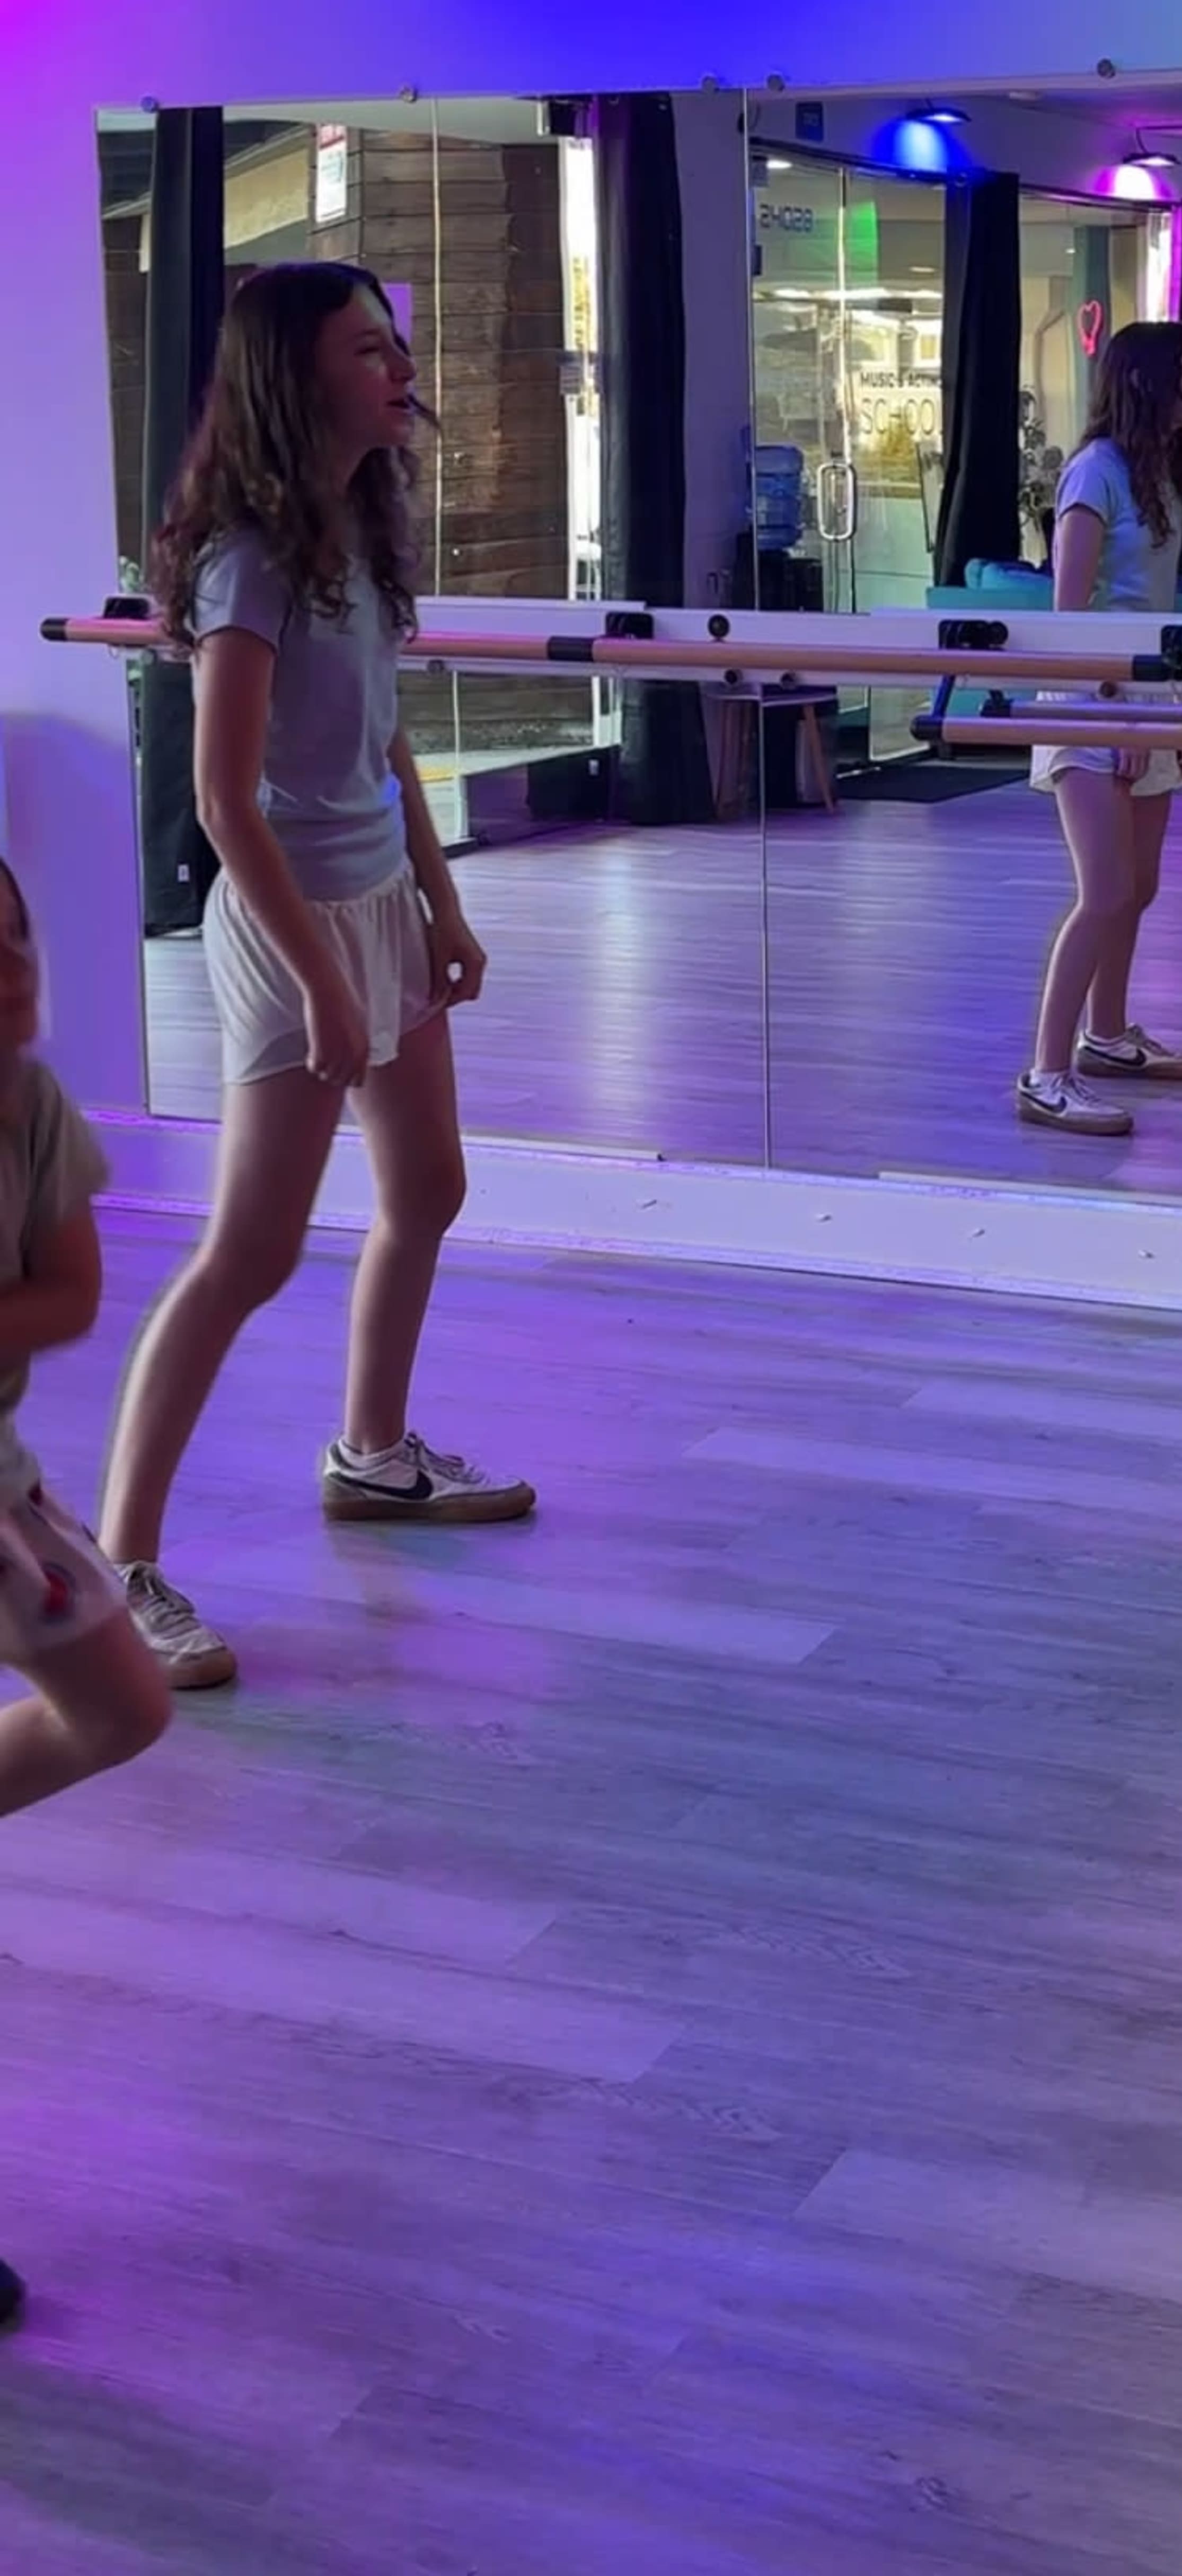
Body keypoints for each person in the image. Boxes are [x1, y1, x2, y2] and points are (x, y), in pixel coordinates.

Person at [103, 261, 535, 1689]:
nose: (400, 367)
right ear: (297, 379)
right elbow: (224, 802)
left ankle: (372, 1451)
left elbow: (386, 744)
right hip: (289, 924)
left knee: (429, 1188)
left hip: (379, 907)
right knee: (250, 1252)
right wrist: (326, 987)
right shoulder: (248, 559)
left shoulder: (354, 526)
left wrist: (440, 904)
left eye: (395, 343)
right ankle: (119, 1567)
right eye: (368, 349)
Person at [0, 855, 176, 2326]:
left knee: (123, 1706)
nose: (13, 972)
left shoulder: (32, 1106)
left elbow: (69, 1292)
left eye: (17, 939)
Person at [1017, 321, 1182, 1137]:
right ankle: (1046, 1074)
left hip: (1147, 700)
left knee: (1138, 888)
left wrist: (1180, 713)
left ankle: (1106, 1037)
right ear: (1147, 379)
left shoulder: (1161, 475)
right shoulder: (1094, 471)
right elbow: (1069, 619)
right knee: (1104, 892)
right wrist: (1118, 712)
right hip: (1090, 703)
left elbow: (1156, 615)